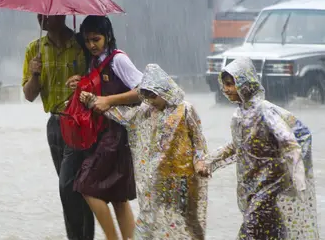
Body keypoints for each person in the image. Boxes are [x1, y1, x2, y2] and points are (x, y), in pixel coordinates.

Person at [80, 64, 210, 239]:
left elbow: (199, 141)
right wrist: (92, 100)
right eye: (146, 95)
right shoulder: (146, 112)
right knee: (147, 223)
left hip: (183, 180)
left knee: (189, 223)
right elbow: (121, 114)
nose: (150, 100)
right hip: (155, 180)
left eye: (153, 95)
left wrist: (200, 161)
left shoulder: (185, 109)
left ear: (164, 89)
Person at [209, 57, 319, 239]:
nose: (226, 89)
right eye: (225, 84)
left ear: (245, 84)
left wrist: (299, 180)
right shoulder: (239, 115)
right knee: (272, 231)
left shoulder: (264, 111)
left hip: (271, 185)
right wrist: (209, 160)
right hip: (253, 185)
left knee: (250, 231)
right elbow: (237, 146)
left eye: (231, 84)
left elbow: (289, 143)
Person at [21, 14, 94, 240]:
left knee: (69, 186)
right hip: (55, 125)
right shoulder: (35, 49)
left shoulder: (82, 45)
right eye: (39, 14)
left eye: (47, 14)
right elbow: (29, 95)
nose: (41, 18)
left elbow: (99, 81)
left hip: (81, 123)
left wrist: (82, 83)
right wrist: (35, 74)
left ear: (62, 15)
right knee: (72, 190)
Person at [71, 15, 143, 240]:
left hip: (118, 135)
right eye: (87, 40)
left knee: (85, 186)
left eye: (96, 39)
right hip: (103, 133)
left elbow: (143, 91)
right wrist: (80, 82)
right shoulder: (94, 61)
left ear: (108, 37)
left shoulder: (118, 60)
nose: (91, 45)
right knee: (119, 198)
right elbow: (97, 93)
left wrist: (109, 101)